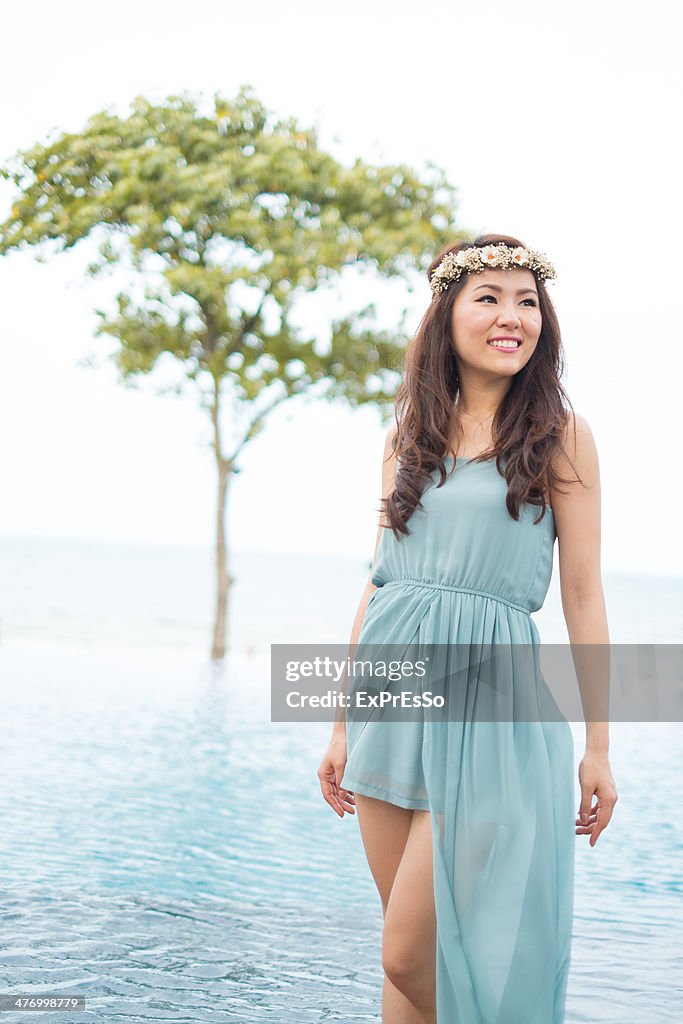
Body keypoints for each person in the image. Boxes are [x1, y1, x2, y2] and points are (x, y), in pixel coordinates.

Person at [317, 234, 619, 1024]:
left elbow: (582, 594)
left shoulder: (561, 434)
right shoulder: (406, 436)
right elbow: (382, 578)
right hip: (391, 701)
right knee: (402, 964)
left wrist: (598, 743)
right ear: (445, 315)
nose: (510, 316)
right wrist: (341, 722)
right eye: (488, 297)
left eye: (526, 301)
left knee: (412, 955)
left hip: (492, 709)